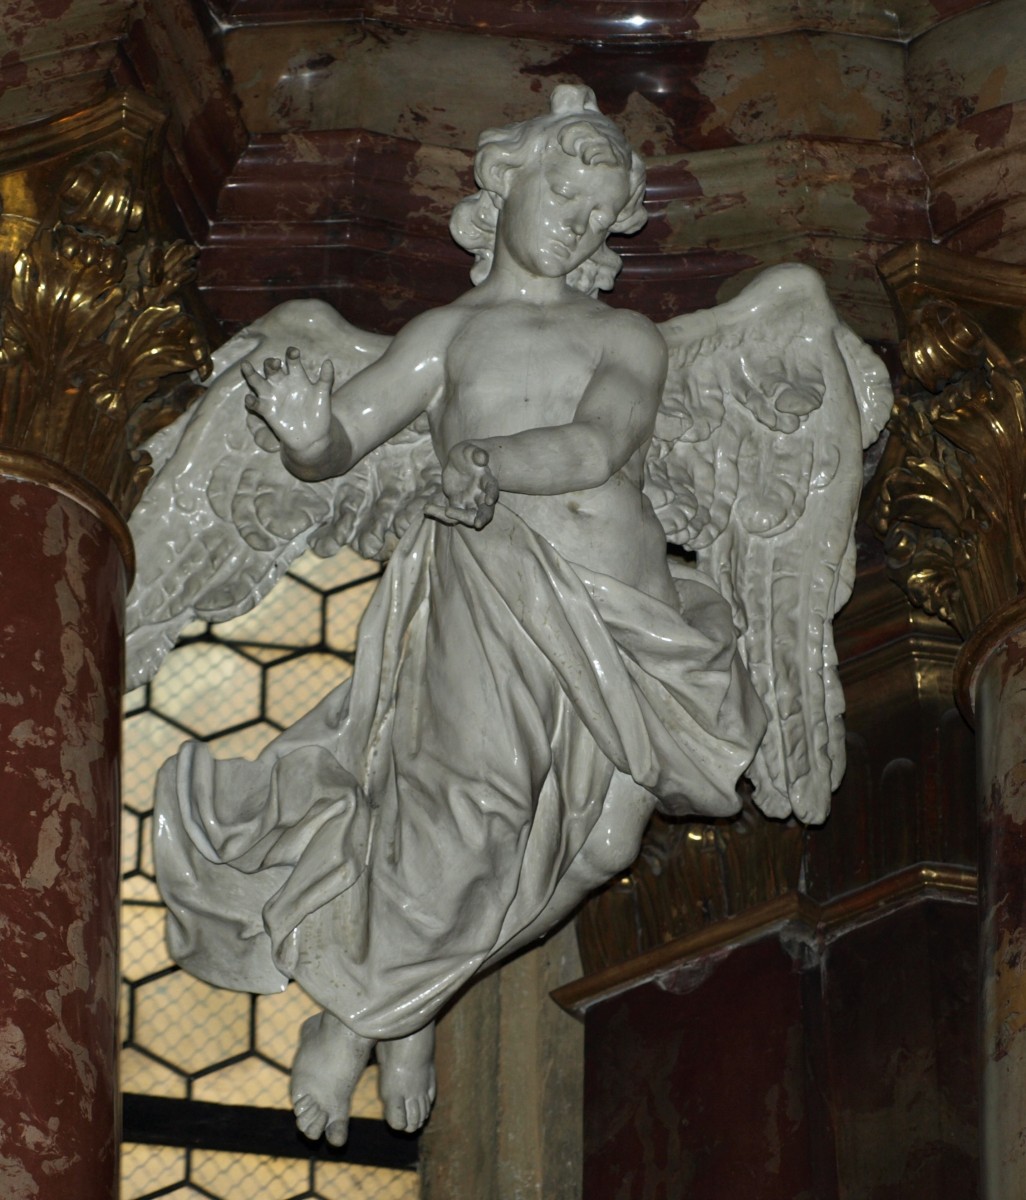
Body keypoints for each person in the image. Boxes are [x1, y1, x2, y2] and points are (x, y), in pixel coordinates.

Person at [154, 85, 765, 1146]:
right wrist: (303, 432)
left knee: (606, 841)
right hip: (491, 581)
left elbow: (596, 447)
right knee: (470, 810)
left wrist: (485, 460)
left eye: (594, 211)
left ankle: (411, 997)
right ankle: (358, 1013)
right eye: (560, 194)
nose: (573, 221)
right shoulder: (447, 336)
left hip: (622, 599)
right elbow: (343, 438)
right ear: (506, 182)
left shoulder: (626, 337)